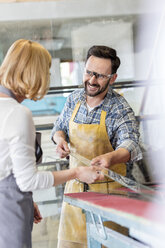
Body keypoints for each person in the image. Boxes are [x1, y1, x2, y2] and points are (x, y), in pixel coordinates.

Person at [0, 39, 103, 248]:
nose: (48, 77)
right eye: (47, 71)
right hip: (7, 213)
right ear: (34, 73)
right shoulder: (17, 113)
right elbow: (27, 181)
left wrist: (27, 201)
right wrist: (76, 173)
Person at [51, 45, 142, 248]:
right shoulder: (73, 99)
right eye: (89, 72)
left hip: (108, 199)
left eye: (100, 76)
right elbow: (59, 128)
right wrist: (60, 140)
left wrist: (112, 158)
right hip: (74, 196)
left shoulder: (119, 107)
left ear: (113, 78)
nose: (92, 81)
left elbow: (131, 143)